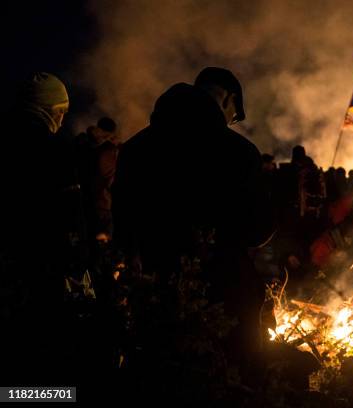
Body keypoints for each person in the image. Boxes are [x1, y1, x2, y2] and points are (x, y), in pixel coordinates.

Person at [112, 68, 273, 378]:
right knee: (227, 381)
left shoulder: (135, 149)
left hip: (154, 291)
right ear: (229, 99)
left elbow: (123, 226)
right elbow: (256, 232)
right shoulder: (239, 152)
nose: (231, 122)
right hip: (224, 298)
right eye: (234, 115)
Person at [0, 72, 87, 385]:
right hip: (40, 270)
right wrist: (79, 267)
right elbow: (70, 220)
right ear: (55, 111)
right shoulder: (55, 151)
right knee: (40, 361)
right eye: (62, 113)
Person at [76, 117, 119, 242]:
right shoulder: (109, 150)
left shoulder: (82, 143)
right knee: (101, 244)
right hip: (101, 204)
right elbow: (107, 176)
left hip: (80, 202)